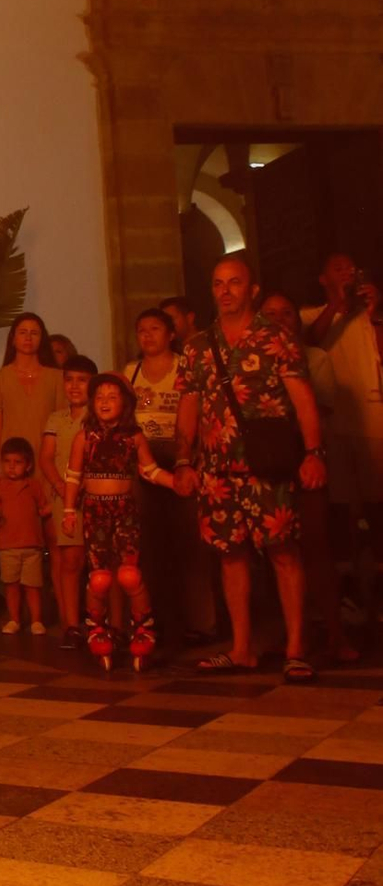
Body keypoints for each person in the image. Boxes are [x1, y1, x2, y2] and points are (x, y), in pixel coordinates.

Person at [174, 253, 323, 681]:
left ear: (252, 289)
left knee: (284, 552)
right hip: (218, 470)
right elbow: (188, 405)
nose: (225, 291)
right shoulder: (198, 346)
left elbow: (303, 400)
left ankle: (296, 647)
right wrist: (183, 460)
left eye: (234, 282)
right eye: (218, 283)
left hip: (268, 464)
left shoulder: (275, 338)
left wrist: (314, 453)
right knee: (230, 555)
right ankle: (241, 649)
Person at [62, 374, 177, 673]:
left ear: (125, 403)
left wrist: (176, 482)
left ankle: (143, 628)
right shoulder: (84, 438)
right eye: (100, 397)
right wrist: (69, 510)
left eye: (112, 397)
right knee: (100, 578)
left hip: (124, 510)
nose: (105, 402)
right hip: (95, 512)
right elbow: (73, 476)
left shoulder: (134, 437)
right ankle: (96, 627)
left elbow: (150, 470)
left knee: (129, 575)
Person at [263, 292, 355, 665]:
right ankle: (290, 635)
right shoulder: (251, 361)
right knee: (275, 550)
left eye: (286, 313)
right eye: (270, 314)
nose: (278, 320)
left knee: (315, 548)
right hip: (268, 464)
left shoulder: (314, 359)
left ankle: (335, 633)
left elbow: (320, 408)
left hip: (304, 459)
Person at [124, 305, 215, 647]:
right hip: (142, 459)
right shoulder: (130, 372)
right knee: (150, 542)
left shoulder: (185, 367)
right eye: (141, 330)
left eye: (155, 329)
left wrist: (188, 458)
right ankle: (155, 617)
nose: (147, 336)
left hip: (181, 457)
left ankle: (200, 622)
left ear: (171, 334)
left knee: (189, 541)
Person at [302, 252, 383, 587]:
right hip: (333, 424)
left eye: (351, 267)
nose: (347, 272)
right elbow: (310, 342)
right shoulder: (311, 315)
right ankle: (346, 585)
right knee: (339, 506)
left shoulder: (370, 317)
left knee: (377, 503)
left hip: (372, 418)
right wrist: (337, 304)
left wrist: (374, 313)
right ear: (323, 279)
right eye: (338, 268)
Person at [40, 354, 96, 642]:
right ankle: (71, 623)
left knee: (97, 561)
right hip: (64, 497)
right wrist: (61, 487)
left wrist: (83, 485)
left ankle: (101, 622)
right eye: (70, 380)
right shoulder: (56, 418)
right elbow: (46, 457)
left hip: (94, 495)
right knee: (69, 559)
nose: (74, 386)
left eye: (82, 380)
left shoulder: (97, 417)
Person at [0, 313, 65, 487]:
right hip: (11, 463)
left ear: (42, 339)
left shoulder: (57, 378)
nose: (28, 337)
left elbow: (63, 424)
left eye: (34, 333)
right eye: (23, 332)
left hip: (48, 462)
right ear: (13, 338)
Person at [0, 437, 51, 633]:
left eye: (17, 462)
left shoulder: (34, 486)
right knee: (11, 585)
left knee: (33, 586)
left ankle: (36, 620)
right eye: (7, 461)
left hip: (32, 545)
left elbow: (43, 508)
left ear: (28, 465)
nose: (12, 466)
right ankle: (14, 619)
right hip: (7, 545)